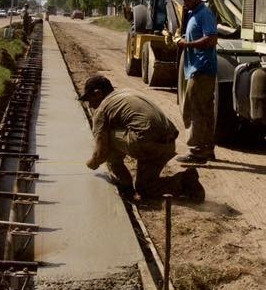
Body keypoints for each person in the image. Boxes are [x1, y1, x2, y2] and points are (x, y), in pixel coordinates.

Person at [80, 74, 205, 202]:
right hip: (167, 143)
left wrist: (92, 163)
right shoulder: (126, 93)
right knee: (145, 189)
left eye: (90, 100)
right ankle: (185, 181)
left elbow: (101, 152)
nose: (90, 106)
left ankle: (125, 186)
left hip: (145, 143)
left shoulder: (102, 109)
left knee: (107, 138)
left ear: (98, 94)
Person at [174, 0, 218, 165]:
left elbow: (211, 39)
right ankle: (206, 148)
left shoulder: (204, 14)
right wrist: (181, 39)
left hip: (202, 69)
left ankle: (197, 151)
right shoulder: (193, 13)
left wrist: (186, 44)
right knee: (204, 109)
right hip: (198, 68)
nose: (184, 2)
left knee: (194, 109)